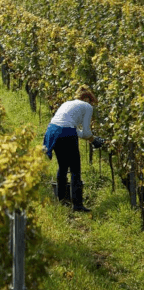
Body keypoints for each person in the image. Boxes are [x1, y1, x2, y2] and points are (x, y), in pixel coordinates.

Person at [42, 85, 105, 213]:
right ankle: (77, 205)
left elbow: (77, 131)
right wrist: (94, 140)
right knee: (75, 169)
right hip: (66, 133)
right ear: (88, 99)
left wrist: (92, 138)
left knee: (63, 166)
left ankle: (62, 200)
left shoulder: (68, 104)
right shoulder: (87, 106)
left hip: (53, 131)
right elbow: (86, 132)